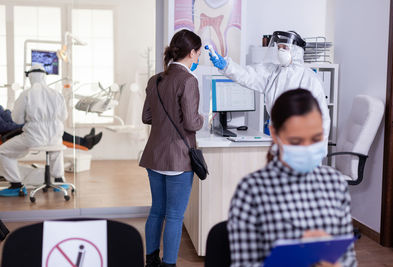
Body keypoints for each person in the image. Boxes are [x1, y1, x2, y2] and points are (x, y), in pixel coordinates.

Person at [227, 89, 357, 267]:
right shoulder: (252, 189)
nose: (307, 147)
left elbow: (349, 260)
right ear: (275, 134)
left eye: (316, 138)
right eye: (296, 141)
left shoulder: (335, 183)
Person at [139, 29, 204, 267]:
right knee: (175, 216)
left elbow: (146, 117)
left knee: (157, 211)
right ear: (191, 52)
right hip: (178, 159)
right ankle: (169, 264)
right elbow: (191, 122)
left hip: (154, 157)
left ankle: (151, 260)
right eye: (198, 52)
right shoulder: (188, 80)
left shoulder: (155, 79)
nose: (199, 57)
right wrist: (205, 118)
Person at [209, 30, 331, 140]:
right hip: (277, 137)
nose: (281, 51)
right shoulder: (273, 73)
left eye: (285, 47)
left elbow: (322, 118)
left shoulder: (309, 79)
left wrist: (317, 150)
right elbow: (247, 75)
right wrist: (227, 66)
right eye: (279, 48)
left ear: (296, 51)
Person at [0, 65, 68, 197]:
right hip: (55, 136)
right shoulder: (57, 94)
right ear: (44, 76)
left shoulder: (26, 94)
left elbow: (17, 120)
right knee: (56, 148)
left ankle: (16, 185)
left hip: (34, 138)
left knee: (3, 152)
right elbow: (64, 116)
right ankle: (59, 181)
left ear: (30, 77)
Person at [0, 106, 103, 151]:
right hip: (9, 134)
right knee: (51, 131)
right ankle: (85, 143)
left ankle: (84, 141)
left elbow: (7, 114)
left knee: (53, 127)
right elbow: (3, 127)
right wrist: (25, 124)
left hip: (16, 129)